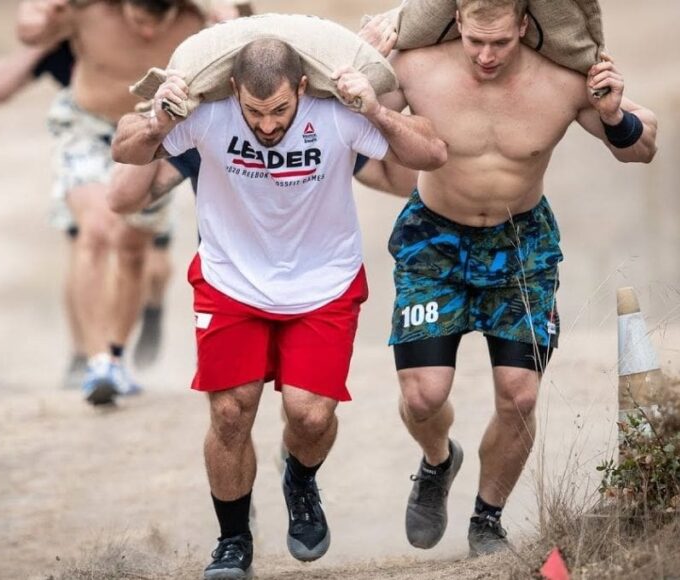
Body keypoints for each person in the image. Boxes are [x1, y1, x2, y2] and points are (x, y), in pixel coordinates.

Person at [112, 38, 446, 579]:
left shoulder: (336, 115)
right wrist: (157, 119)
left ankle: (300, 477)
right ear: (234, 92)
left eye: (280, 111)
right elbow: (124, 149)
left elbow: (432, 154)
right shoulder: (211, 114)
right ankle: (233, 542)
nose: (267, 127)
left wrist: (377, 111)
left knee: (310, 415)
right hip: (230, 282)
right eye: (255, 112)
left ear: (302, 89)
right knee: (229, 412)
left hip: (324, 284)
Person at [376, 0, 658, 556]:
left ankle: (488, 518)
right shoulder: (415, 67)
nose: (485, 55)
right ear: (456, 22)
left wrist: (614, 115)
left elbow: (643, 149)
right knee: (423, 396)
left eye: (500, 43)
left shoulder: (564, 79)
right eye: (475, 41)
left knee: (519, 395)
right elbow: (349, 121)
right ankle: (437, 462)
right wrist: (366, 62)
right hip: (434, 241)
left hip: (520, 244)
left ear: (524, 27)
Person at [16, 0, 207, 404]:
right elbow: (29, 31)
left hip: (152, 137)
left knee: (133, 249)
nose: (149, 33)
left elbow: (246, 34)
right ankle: (95, 360)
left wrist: (228, 14)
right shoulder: (87, 10)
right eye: (139, 20)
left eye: (160, 22)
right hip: (87, 127)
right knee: (96, 230)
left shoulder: (198, 17)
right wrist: (46, 13)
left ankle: (116, 358)